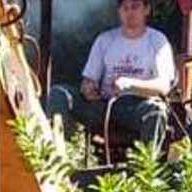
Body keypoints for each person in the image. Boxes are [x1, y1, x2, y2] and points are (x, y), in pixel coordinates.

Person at [48, 0, 176, 155]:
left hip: (138, 106)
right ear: (119, 12)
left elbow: (163, 86)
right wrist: (88, 88)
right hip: (105, 104)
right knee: (59, 93)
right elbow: (89, 80)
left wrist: (129, 84)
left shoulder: (157, 41)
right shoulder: (105, 40)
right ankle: (60, 156)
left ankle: (146, 169)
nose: (130, 12)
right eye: (125, 8)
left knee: (156, 112)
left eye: (135, 7)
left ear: (146, 9)